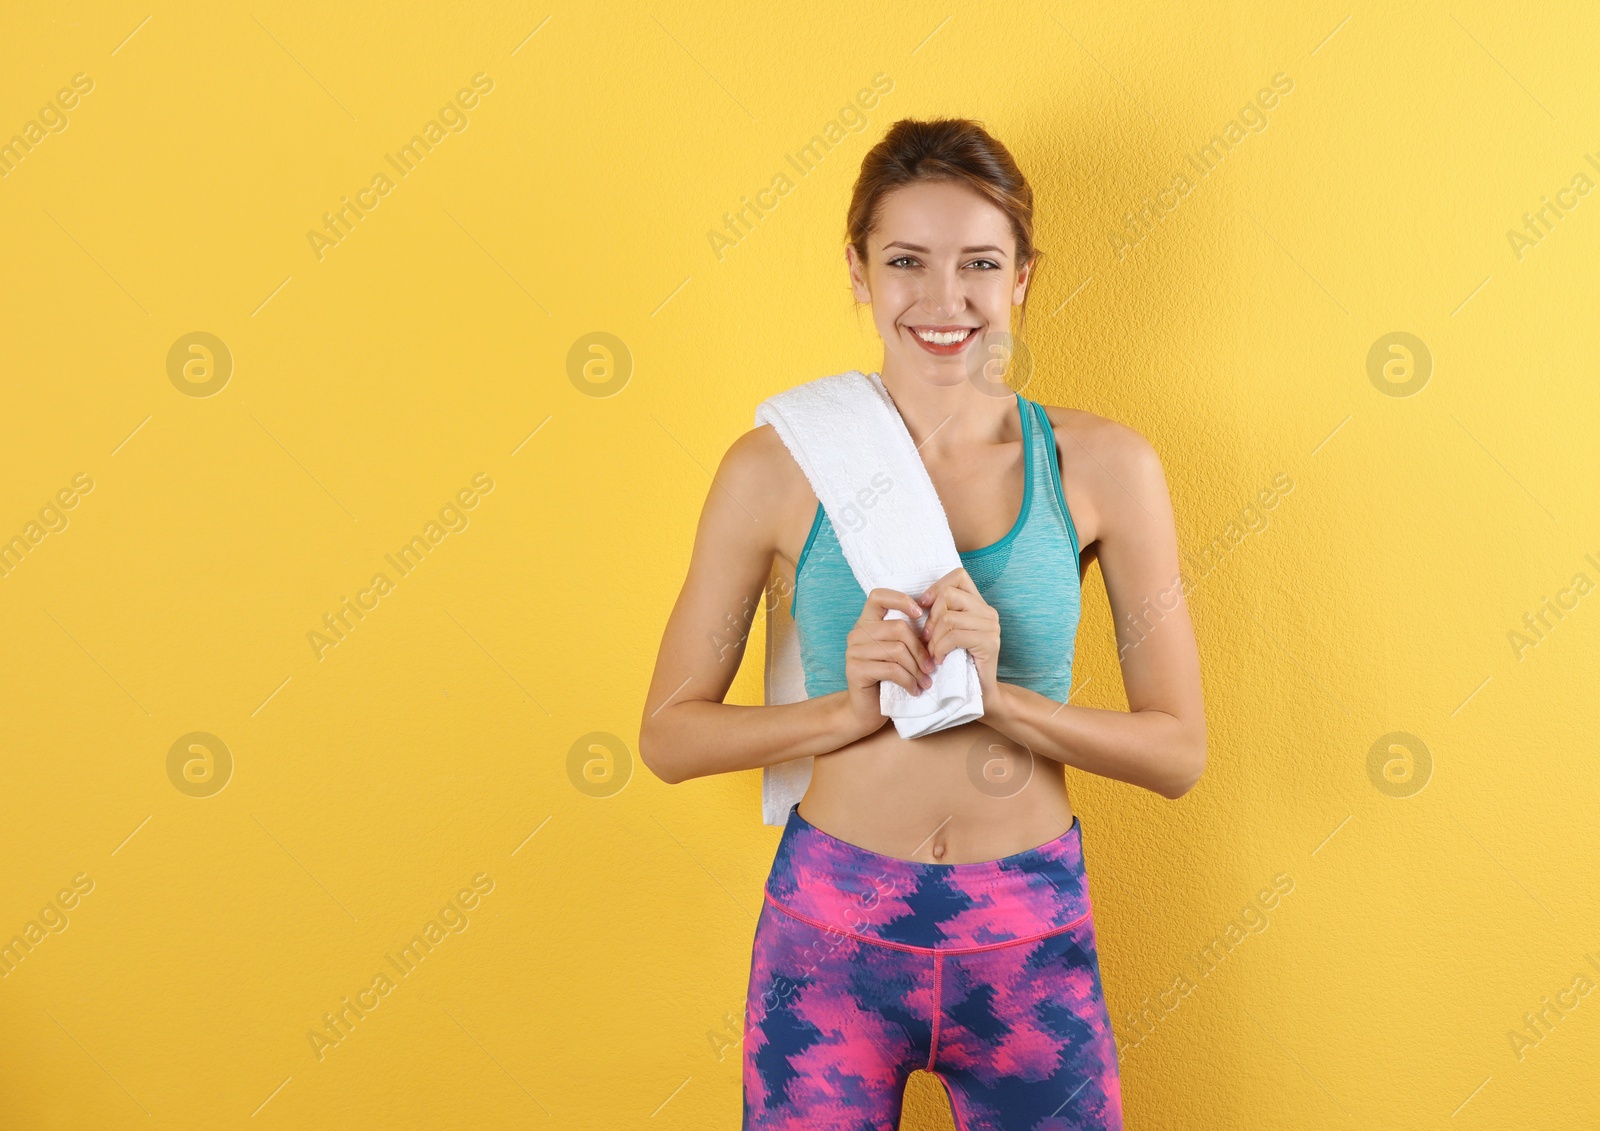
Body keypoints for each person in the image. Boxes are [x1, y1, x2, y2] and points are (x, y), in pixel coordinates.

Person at [640, 117, 1206, 1131]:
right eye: (906, 261)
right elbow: (669, 736)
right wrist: (844, 710)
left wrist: (999, 701)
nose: (944, 301)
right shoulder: (773, 470)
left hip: (1027, 937)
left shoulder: (1104, 467)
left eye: (979, 264)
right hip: (828, 937)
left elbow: (1177, 753)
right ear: (857, 270)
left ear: (1023, 276)